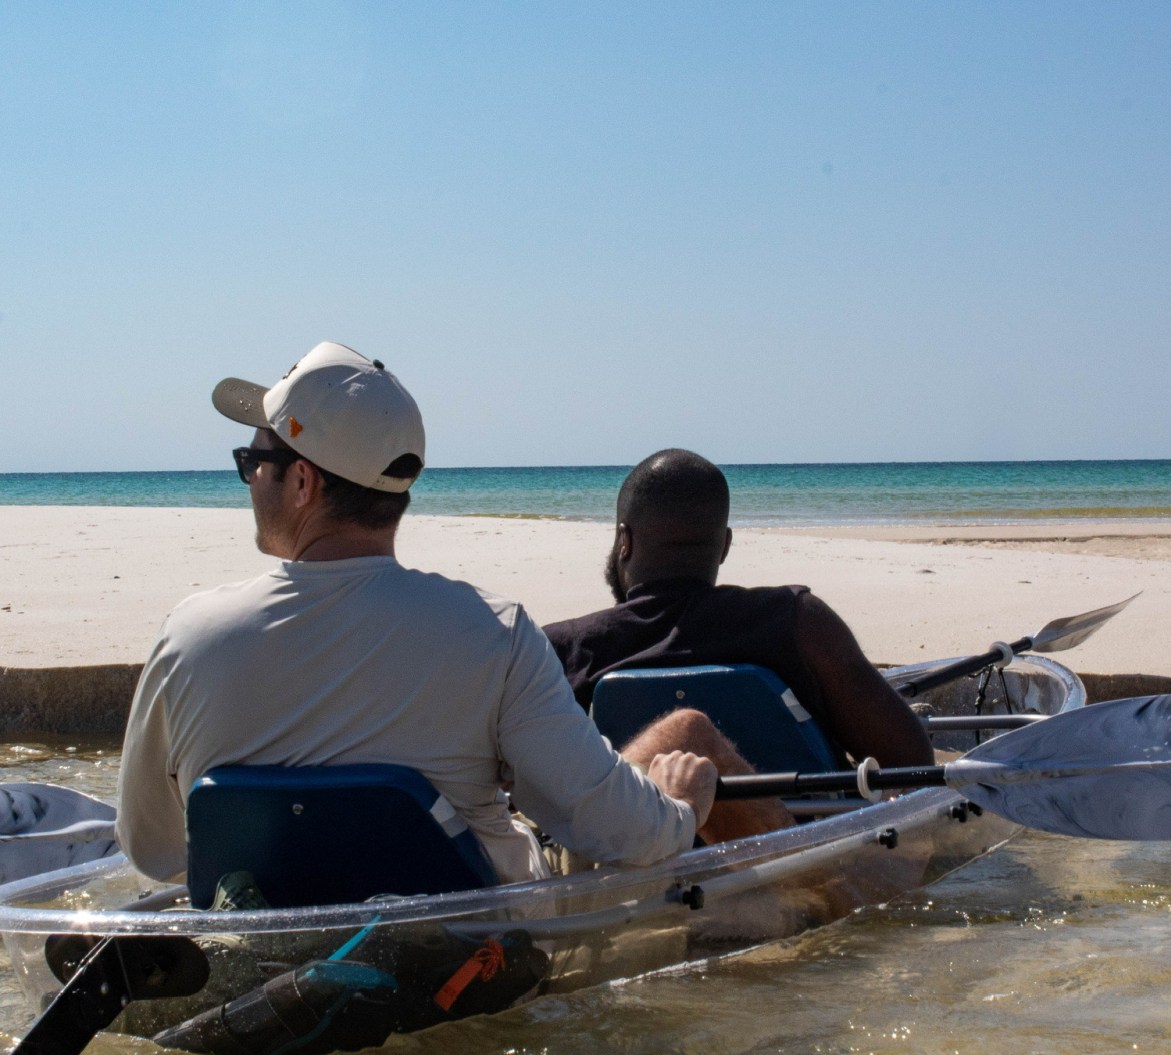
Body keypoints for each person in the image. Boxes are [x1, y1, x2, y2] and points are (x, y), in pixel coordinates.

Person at [115, 344, 718, 888]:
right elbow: (622, 831)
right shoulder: (493, 633)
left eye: (254, 461)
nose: (250, 479)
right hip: (471, 964)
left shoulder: (189, 636)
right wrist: (678, 807)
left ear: (301, 482)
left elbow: (156, 852)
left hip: (261, 953)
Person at [543, 449, 934, 839]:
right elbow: (912, 763)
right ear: (725, 545)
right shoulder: (796, 620)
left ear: (623, 542)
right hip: (800, 851)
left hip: (638, 855)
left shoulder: (566, 648)